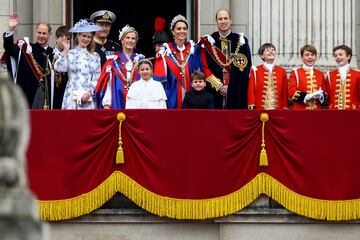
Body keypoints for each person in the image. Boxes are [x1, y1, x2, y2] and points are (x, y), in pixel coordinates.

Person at [153, 14, 221, 109]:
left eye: (184, 29)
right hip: (172, 99)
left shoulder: (194, 49)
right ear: (173, 31)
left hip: (193, 100)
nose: (182, 31)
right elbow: (159, 82)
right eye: (179, 29)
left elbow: (203, 70)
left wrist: (219, 85)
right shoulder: (165, 51)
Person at [199, 9, 252, 109]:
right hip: (214, 92)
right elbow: (204, 67)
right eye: (220, 19)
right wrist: (219, 86)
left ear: (230, 20)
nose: (223, 21)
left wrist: (230, 87)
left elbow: (246, 69)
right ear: (216, 22)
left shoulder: (241, 41)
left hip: (236, 92)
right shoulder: (209, 41)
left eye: (226, 18)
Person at [3, 12, 54, 109]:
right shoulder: (27, 49)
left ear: (50, 34)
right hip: (29, 97)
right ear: (35, 33)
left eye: (44, 33)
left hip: (47, 98)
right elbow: (10, 49)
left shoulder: (53, 53)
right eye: (39, 33)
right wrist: (11, 29)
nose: (41, 36)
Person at [54, 19, 102, 109]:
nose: (86, 39)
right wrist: (65, 50)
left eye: (89, 37)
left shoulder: (95, 56)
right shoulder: (70, 53)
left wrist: (89, 93)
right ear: (78, 36)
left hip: (88, 95)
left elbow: (97, 78)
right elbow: (59, 68)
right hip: (71, 94)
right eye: (84, 36)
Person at [94, 25, 145, 109]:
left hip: (137, 104)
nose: (130, 40)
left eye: (133, 38)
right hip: (117, 102)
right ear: (122, 40)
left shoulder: (141, 61)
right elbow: (108, 86)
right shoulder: (113, 62)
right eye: (127, 38)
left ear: (136, 42)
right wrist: (107, 104)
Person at [248, 43, 288, 110]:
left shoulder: (282, 71)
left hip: (278, 109)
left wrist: (285, 106)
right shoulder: (255, 70)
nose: (271, 51)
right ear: (262, 55)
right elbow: (251, 90)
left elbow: (284, 91)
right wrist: (251, 105)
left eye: (273, 50)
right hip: (260, 108)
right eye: (267, 50)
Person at [289, 45, 327, 110]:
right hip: (300, 111)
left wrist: (321, 96)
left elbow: (325, 91)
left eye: (312, 55)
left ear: (315, 57)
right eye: (307, 55)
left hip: (317, 111)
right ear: (302, 57)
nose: (310, 57)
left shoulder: (320, 74)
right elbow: (291, 91)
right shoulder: (295, 73)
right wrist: (306, 96)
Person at [326, 45, 360, 110]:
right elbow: (327, 96)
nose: (338, 57)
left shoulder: (358, 75)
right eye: (336, 56)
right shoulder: (330, 75)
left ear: (348, 56)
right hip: (334, 113)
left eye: (340, 54)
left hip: (353, 113)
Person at [52, 25, 71, 109]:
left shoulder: (72, 56)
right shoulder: (49, 54)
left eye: (68, 39)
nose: (66, 41)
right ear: (56, 38)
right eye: (63, 38)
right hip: (53, 94)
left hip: (67, 94)